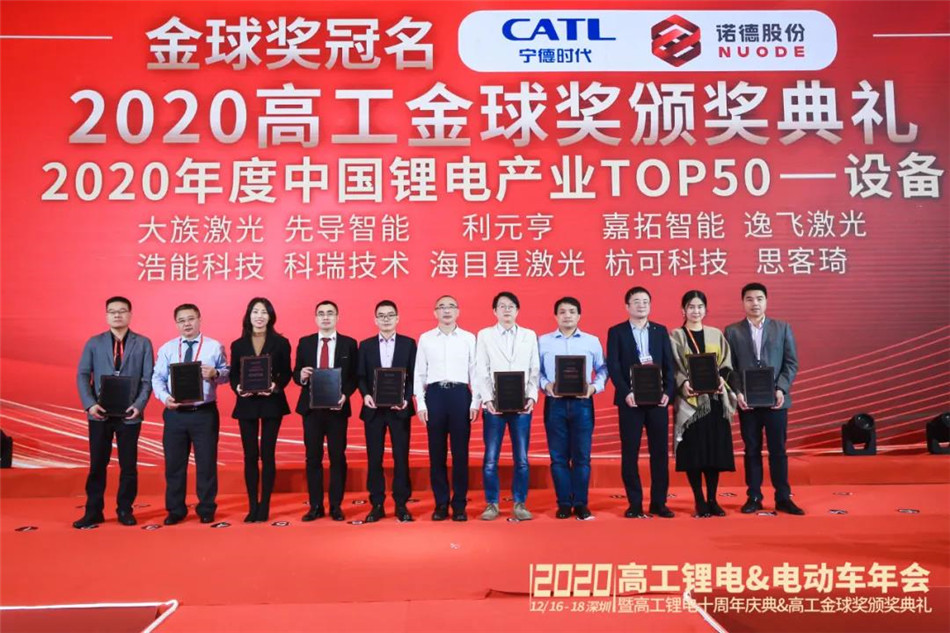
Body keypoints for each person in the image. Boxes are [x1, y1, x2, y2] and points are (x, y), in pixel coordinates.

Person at [74, 296, 154, 528]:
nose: (117, 315)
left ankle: (125, 510)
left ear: (130, 314)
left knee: (128, 466)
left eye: (122, 311)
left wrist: (138, 406)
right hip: (99, 413)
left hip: (129, 414)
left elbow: (147, 379)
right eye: (112, 311)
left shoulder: (143, 343)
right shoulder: (94, 343)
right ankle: (93, 511)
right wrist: (90, 404)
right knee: (97, 465)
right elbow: (82, 375)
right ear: (106, 315)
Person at [724, 283, 804, 515]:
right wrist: (738, 392)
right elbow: (729, 367)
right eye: (749, 299)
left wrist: (781, 389)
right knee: (751, 450)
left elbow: (791, 363)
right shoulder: (732, 331)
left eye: (759, 298)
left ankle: (783, 497)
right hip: (748, 403)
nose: (755, 303)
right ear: (743, 302)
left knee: (778, 450)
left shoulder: (782, 328)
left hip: (776, 401)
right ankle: (754, 496)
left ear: (766, 301)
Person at [152, 303, 229, 525]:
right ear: (176, 324)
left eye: (191, 319)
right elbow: (157, 378)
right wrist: (165, 398)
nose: (187, 324)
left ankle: (206, 508)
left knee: (206, 463)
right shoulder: (167, 348)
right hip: (175, 414)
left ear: (199, 319)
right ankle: (176, 509)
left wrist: (215, 373)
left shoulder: (214, 346)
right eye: (181, 320)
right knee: (174, 464)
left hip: (204, 413)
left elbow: (227, 374)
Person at [606, 286, 676, 519]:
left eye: (645, 301)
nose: (641, 305)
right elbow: (614, 366)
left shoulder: (660, 330)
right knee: (630, 452)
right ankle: (634, 503)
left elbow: (669, 365)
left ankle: (659, 502)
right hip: (631, 402)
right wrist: (626, 392)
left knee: (660, 453)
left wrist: (668, 392)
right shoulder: (617, 332)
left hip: (657, 402)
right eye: (636, 301)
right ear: (627, 306)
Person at [538, 297, 607, 520]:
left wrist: (594, 388)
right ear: (555, 316)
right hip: (555, 403)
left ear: (579, 316)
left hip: (582, 403)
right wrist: (545, 385)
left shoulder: (591, 341)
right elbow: (535, 371)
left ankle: (581, 503)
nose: (567, 315)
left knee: (582, 457)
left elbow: (603, 369)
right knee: (558, 457)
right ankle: (564, 503)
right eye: (562, 311)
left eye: (572, 311)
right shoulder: (543, 342)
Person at [670, 290, 737, 518]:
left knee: (713, 453)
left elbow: (726, 364)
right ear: (683, 310)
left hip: (715, 402)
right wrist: (683, 383)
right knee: (694, 453)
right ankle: (699, 500)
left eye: (699, 307)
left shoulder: (716, 334)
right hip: (691, 404)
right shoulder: (676, 336)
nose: (695, 311)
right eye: (691, 307)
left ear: (706, 310)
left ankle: (713, 500)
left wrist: (721, 381)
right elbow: (674, 367)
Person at [474, 291, 540, 521]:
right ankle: (491, 504)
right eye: (502, 306)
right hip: (494, 407)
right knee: (491, 458)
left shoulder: (529, 335)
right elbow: (481, 369)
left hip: (522, 407)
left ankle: (519, 503)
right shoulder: (484, 335)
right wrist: (487, 400)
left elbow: (534, 368)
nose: (507, 310)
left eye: (511, 306)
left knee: (521, 458)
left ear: (517, 310)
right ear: (495, 311)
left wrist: (531, 397)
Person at [414, 295, 480, 522]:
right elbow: (419, 373)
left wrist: (475, 402)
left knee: (461, 454)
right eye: (441, 307)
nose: (446, 311)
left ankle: (459, 504)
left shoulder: (469, 338)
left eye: (451, 306)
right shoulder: (426, 339)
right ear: (435, 312)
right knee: (437, 453)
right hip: (435, 395)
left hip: (460, 395)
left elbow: (475, 372)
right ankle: (441, 503)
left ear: (458, 311)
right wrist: (421, 403)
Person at [293, 300, 359, 522]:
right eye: (321, 313)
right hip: (311, 410)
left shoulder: (349, 344)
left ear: (337, 317)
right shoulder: (305, 343)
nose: (326, 317)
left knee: (337, 457)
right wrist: (302, 376)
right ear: (315, 318)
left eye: (330, 313)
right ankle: (315, 505)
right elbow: (296, 374)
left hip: (337, 408)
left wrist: (345, 395)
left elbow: (354, 377)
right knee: (313, 458)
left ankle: (336, 505)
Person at [228, 297, 292, 523]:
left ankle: (265, 504)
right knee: (250, 455)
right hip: (246, 404)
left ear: (270, 316)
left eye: (264, 312)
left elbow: (287, 372)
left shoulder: (281, 343)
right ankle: (252, 505)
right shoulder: (238, 344)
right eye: (255, 311)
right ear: (249, 315)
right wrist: (237, 387)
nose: (259, 316)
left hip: (271, 402)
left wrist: (276, 386)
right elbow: (234, 374)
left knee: (268, 454)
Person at [357, 300, 417, 523]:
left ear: (397, 318)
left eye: (390, 315)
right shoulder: (366, 345)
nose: (386, 319)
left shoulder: (408, 344)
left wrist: (406, 398)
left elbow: (414, 375)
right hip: (374, 410)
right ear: (375, 320)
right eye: (381, 316)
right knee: (375, 458)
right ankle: (377, 504)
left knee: (401, 457)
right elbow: (360, 376)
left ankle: (401, 504)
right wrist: (366, 395)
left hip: (399, 410)